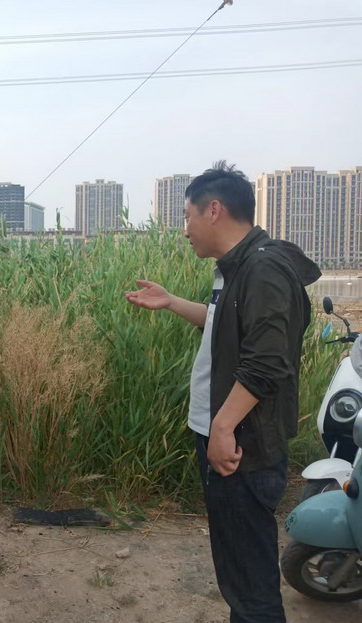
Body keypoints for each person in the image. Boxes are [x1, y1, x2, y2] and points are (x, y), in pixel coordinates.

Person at [125, 161, 320, 622]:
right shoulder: (238, 266)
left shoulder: (263, 269)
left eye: (187, 216)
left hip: (242, 445)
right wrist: (172, 302)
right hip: (231, 437)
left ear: (213, 210)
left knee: (250, 584)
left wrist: (223, 426)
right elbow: (226, 325)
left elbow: (268, 362)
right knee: (239, 572)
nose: (185, 230)